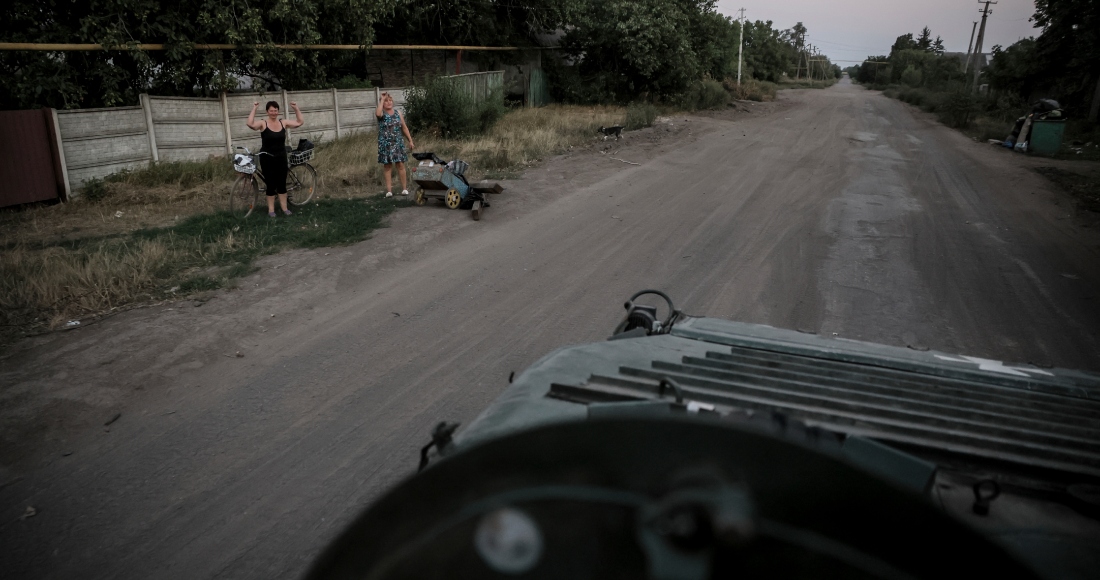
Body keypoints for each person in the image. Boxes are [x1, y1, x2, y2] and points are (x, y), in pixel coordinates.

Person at [247, 100, 305, 216]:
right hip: (267, 158)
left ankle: (285, 209)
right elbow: (250, 124)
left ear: (278, 111)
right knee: (271, 184)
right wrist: (254, 108)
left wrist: (296, 108)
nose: (274, 113)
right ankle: (271, 210)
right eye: (271, 110)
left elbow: (299, 122)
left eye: (275, 110)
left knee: (282, 183)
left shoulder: (283, 122)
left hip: (281, 157)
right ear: (267, 112)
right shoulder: (263, 123)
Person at [375, 92, 415, 197]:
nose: (388, 103)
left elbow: (404, 127)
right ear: (383, 103)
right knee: (387, 166)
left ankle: (404, 189)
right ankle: (389, 191)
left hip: (398, 142)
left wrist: (410, 140)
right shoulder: (382, 114)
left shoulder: (398, 113)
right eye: (386, 101)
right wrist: (382, 99)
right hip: (385, 144)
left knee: (400, 164)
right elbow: (378, 114)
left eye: (390, 100)